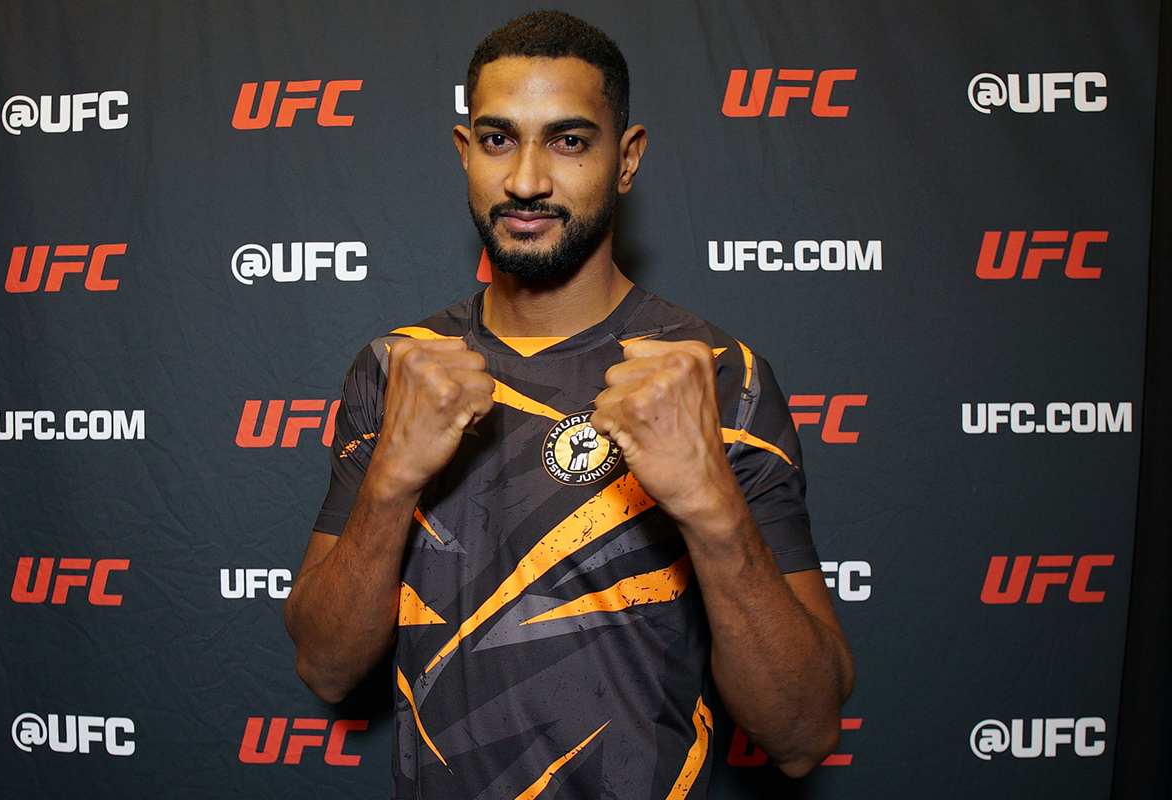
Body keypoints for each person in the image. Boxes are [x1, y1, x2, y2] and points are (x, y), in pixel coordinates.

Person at [285, 10, 854, 798]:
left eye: (568, 141)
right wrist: (391, 483)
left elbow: (801, 734)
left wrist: (710, 506)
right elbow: (326, 667)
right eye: (498, 139)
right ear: (465, 151)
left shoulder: (718, 377)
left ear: (627, 158)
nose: (526, 180)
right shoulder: (397, 370)